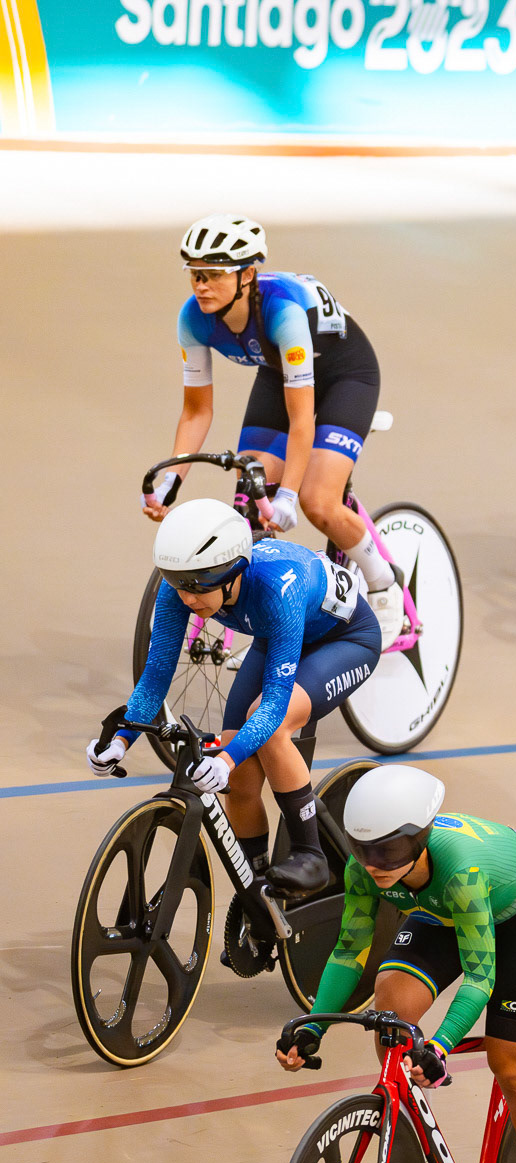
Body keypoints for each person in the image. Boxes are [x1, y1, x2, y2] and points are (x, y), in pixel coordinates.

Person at [275, 764, 516, 1163]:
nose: (374, 865)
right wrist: (313, 1027)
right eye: (364, 850)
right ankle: (409, 1130)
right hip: (443, 910)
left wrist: (439, 1045)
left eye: (388, 851)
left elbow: (479, 979)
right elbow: (349, 951)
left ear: (419, 839)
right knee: (391, 1011)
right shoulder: (369, 869)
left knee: (511, 1064)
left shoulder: (458, 870)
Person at [86, 498, 381, 895]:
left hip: (346, 641)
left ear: (232, 571)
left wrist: (223, 761)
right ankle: (256, 889)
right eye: (178, 582)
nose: (188, 598)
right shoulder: (182, 588)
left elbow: (274, 704)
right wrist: (121, 740)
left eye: (199, 585)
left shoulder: (277, 587)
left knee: (267, 728)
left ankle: (311, 855)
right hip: (276, 636)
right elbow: (155, 677)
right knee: (238, 776)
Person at [143, 214, 404, 648]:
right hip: (277, 368)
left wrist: (288, 496)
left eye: (214, 275)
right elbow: (196, 412)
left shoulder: (283, 311)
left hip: (346, 375)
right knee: (250, 494)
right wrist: (171, 481)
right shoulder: (192, 318)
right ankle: (258, 619)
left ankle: (383, 583)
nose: (201, 286)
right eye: (195, 274)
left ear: (247, 276)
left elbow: (302, 421)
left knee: (317, 501)